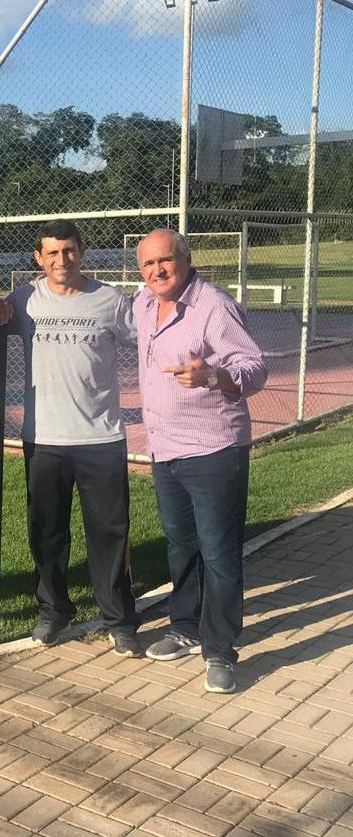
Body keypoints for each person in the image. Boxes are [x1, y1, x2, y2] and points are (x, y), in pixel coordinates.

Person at [0, 219, 141, 656]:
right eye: (52, 253)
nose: (61, 260)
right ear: (39, 258)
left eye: (69, 250)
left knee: (110, 532)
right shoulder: (24, 300)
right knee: (47, 532)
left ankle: (119, 619)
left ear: (82, 251)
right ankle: (54, 611)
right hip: (44, 438)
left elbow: (148, 341)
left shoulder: (109, 300)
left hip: (101, 437)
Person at [134, 229, 267, 694]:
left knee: (220, 552)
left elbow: (255, 369)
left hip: (213, 451)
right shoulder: (143, 305)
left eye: (165, 261)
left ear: (187, 259)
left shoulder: (213, 305)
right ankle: (186, 628)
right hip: (165, 449)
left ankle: (221, 649)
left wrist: (213, 376)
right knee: (181, 545)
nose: (157, 271)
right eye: (147, 264)